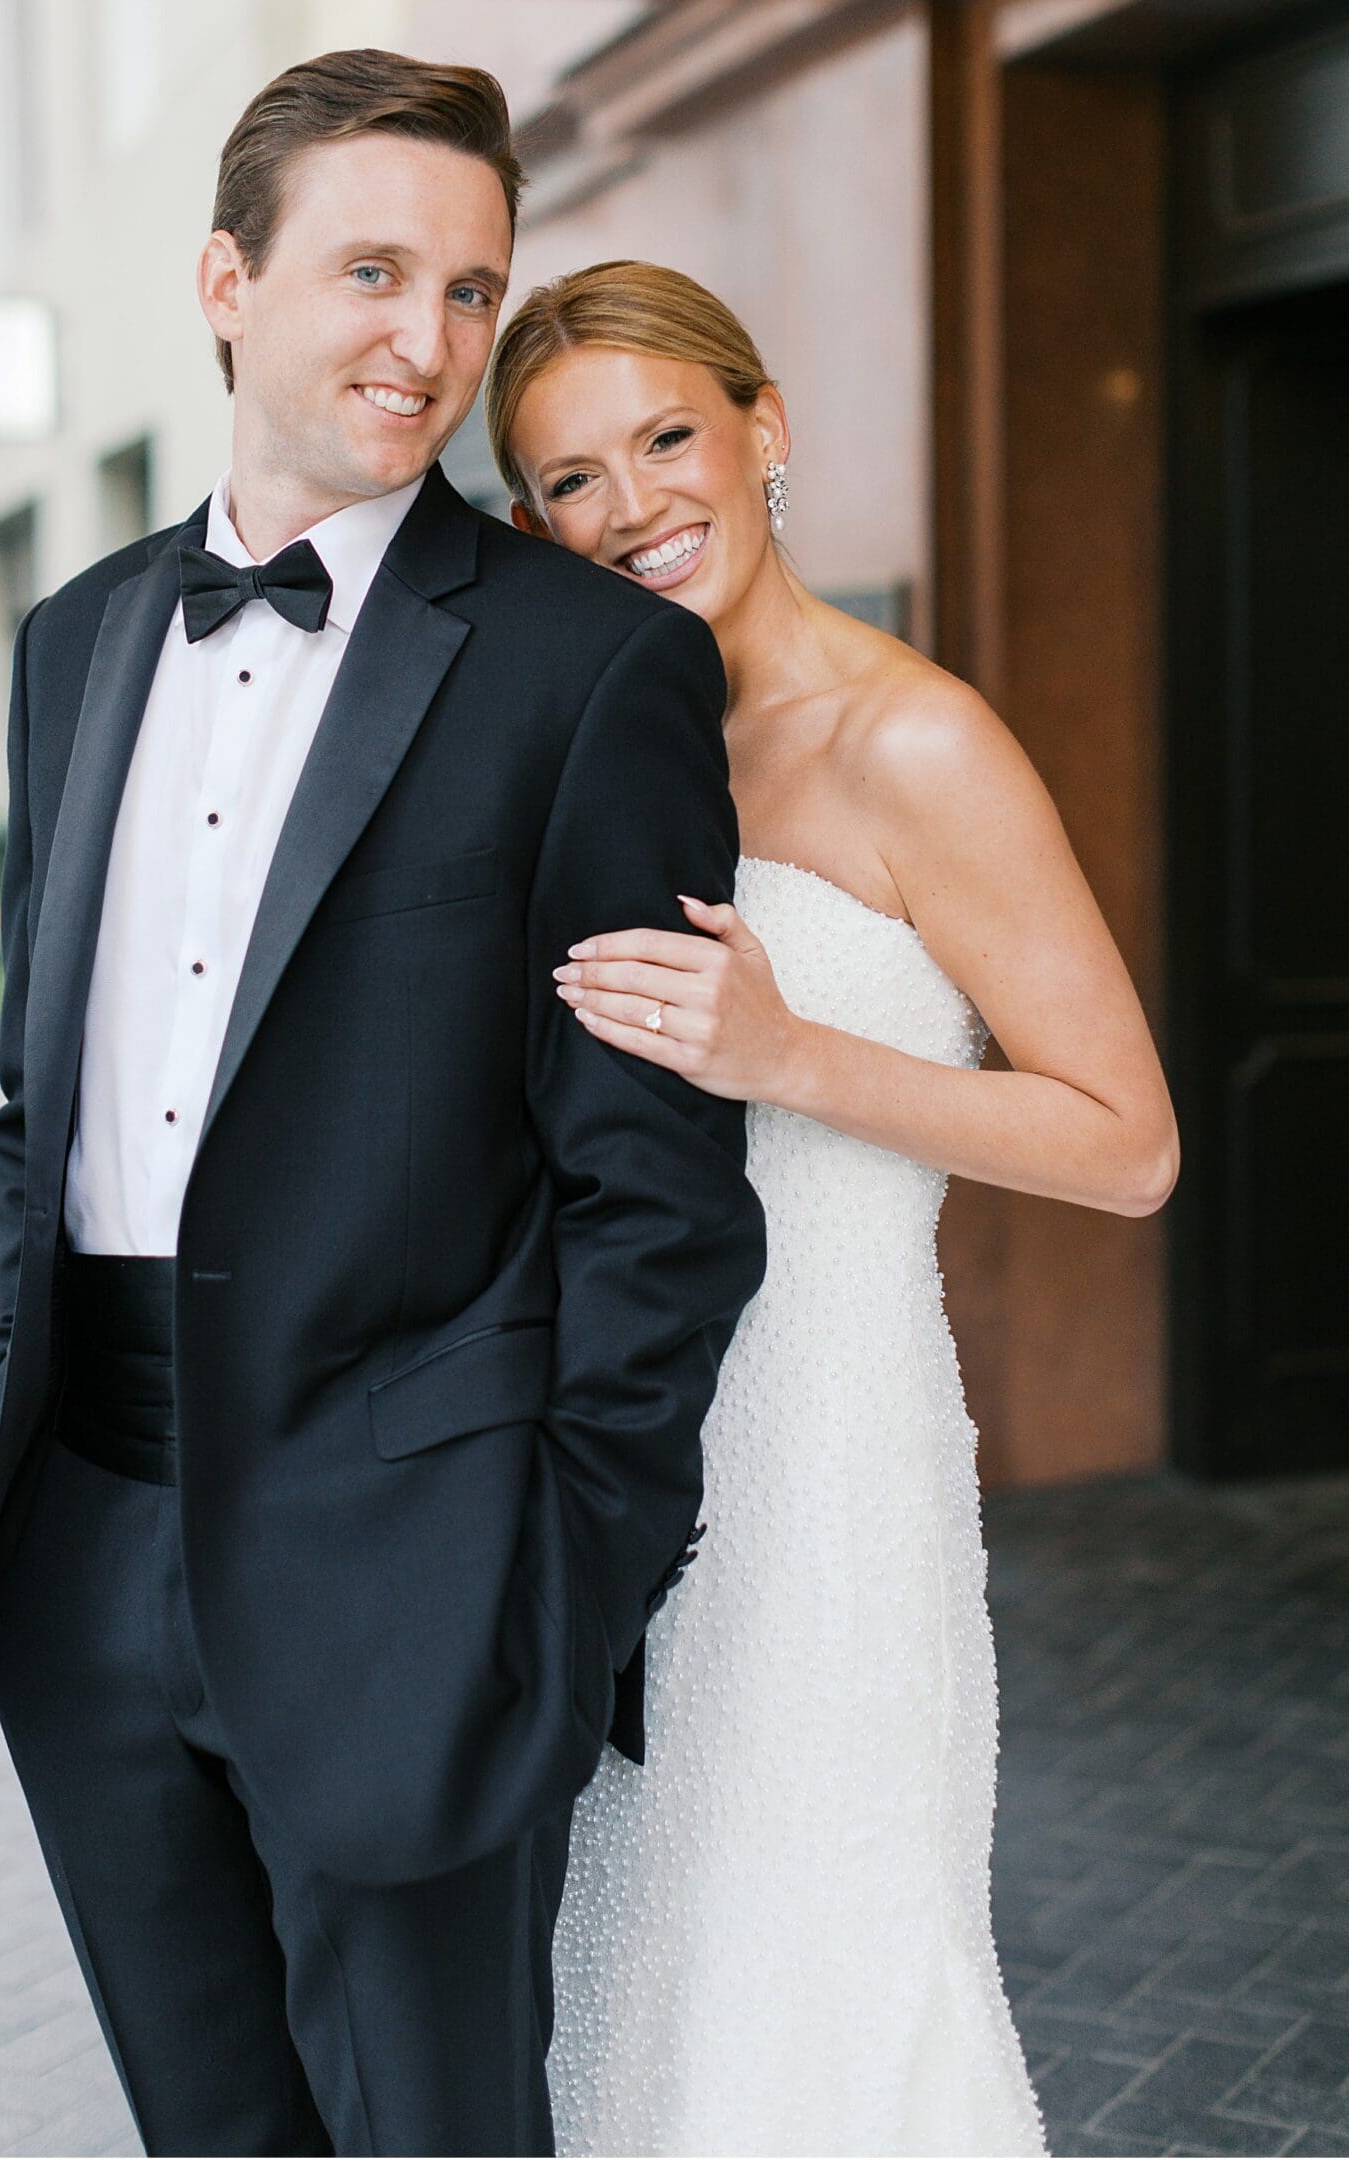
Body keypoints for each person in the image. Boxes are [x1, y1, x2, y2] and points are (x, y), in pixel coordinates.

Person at [0, 69, 765, 2159]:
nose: (428, 340)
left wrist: (560, 1583)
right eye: (369, 271)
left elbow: (654, 1191)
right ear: (224, 279)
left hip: (419, 1563)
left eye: (467, 288)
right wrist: (25, 1346)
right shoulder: (72, 638)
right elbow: (46, 1076)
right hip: (85, 1529)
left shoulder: (583, 664)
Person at [489, 260, 1180, 2159]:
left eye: (665, 439)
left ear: (765, 427)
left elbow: (1129, 1142)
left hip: (827, 1463)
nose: (627, 507)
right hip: (617, 1454)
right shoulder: (590, 736)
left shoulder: (917, 743)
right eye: (567, 480)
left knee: (829, 1977)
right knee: (643, 1982)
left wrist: (789, 1054)